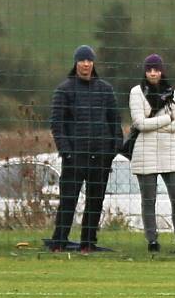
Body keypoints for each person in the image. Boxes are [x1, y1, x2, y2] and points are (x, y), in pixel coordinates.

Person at [50, 44, 123, 254]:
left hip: (100, 157)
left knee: (95, 202)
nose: (86, 64)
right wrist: (67, 152)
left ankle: (88, 243)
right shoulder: (64, 90)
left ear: (93, 63)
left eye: (89, 60)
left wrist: (112, 150)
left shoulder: (105, 89)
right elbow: (57, 125)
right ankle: (59, 243)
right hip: (74, 158)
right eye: (82, 60)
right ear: (76, 63)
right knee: (68, 202)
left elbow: (115, 122)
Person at [129, 53, 175, 253]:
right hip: (144, 153)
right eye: (149, 69)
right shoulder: (136, 92)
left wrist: (157, 126)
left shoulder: (172, 93)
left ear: (162, 71)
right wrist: (165, 120)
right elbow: (139, 123)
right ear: (145, 71)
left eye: (156, 69)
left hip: (169, 152)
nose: (153, 73)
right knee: (149, 200)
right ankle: (152, 241)